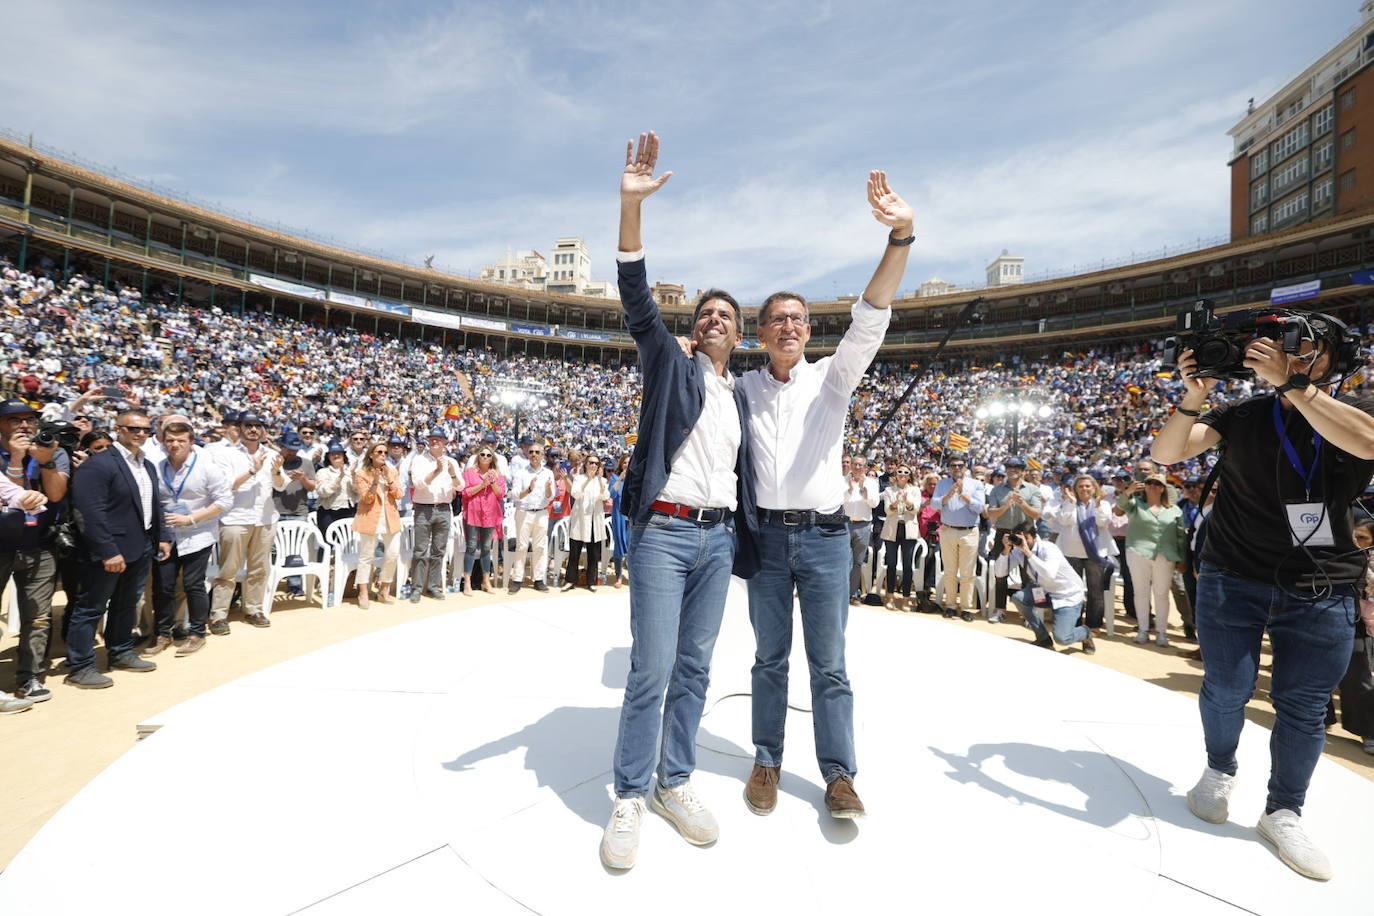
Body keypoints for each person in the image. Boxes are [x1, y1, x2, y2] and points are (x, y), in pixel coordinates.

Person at [1152, 316, 1374, 881]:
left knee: (1303, 707)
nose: (1289, 356)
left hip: (1322, 584)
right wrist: (1192, 397)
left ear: (1332, 362)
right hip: (1234, 574)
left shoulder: (1350, 409)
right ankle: (1218, 769)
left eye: (1303, 349)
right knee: (1226, 686)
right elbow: (1169, 454)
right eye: (1281, 348)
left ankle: (1284, 811)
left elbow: (1368, 443)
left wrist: (1295, 387)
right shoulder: (1247, 413)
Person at [601, 131, 759, 871]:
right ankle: (630, 793)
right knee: (652, 668)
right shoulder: (672, 362)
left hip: (718, 539)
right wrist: (631, 209)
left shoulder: (744, 396)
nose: (713, 321)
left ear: (740, 334)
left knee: (696, 670)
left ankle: (675, 781)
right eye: (705, 314)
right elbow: (637, 299)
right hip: (665, 534)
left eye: (726, 317)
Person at [741, 166, 912, 822]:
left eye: (798, 319)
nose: (789, 326)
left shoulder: (833, 381)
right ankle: (766, 759)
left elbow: (870, 319)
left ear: (809, 331)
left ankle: (839, 776)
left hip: (823, 536)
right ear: (763, 334)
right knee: (767, 659)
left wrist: (901, 235)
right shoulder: (742, 391)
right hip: (764, 539)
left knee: (830, 663)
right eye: (778, 319)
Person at [64, 409, 170, 688]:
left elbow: (153, 504)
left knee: (127, 603)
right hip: (110, 550)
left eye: (145, 430)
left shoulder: (146, 464)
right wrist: (107, 550)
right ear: (118, 429)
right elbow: (89, 511)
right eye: (134, 429)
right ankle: (81, 666)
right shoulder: (99, 464)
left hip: (141, 545)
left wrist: (162, 536)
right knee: (91, 607)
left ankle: (121, 651)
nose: (140, 434)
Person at [0, 398, 70, 704]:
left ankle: (30, 677)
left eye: (30, 420)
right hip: (1, 544)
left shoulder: (51, 451)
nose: (25, 425)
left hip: (39, 543)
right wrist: (15, 458)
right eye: (15, 420)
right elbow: (14, 497)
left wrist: (45, 460)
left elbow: (54, 494)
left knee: (38, 617)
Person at [149, 420, 232, 657]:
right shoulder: (157, 466)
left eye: (181, 441)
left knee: (193, 584)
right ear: (163, 442)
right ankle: (163, 634)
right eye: (170, 440)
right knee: (163, 586)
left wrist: (192, 518)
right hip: (167, 536)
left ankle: (197, 634)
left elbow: (225, 501)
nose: (175, 445)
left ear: (191, 443)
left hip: (198, 534)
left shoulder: (206, 467)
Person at [208, 411, 279, 632]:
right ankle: (219, 615)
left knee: (259, 569)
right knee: (228, 570)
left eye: (258, 425)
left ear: (263, 429)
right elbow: (227, 485)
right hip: (235, 519)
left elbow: (281, 485)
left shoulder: (271, 453)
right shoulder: (226, 454)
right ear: (239, 428)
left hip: (265, 518)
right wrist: (252, 470)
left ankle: (254, 609)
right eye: (248, 425)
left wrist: (276, 472)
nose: (253, 430)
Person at [992, 521, 1095, 653]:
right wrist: (1006, 550)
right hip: (1044, 592)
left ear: (1034, 537)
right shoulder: (1018, 551)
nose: (1022, 542)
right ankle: (1043, 638)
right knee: (1018, 598)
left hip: (1067, 596)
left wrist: (1028, 553)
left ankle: (1085, 632)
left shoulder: (1048, 548)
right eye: (1017, 538)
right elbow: (1000, 573)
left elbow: (1049, 575)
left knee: (1062, 638)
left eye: (1025, 539)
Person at [1116, 472, 1185, 646]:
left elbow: (1180, 537)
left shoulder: (1174, 510)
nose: (1153, 485)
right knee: (1140, 592)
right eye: (1149, 482)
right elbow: (1118, 510)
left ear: (1164, 488)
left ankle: (1161, 632)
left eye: (1158, 483)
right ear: (1144, 486)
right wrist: (1128, 492)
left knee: (1162, 594)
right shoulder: (1135, 504)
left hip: (1165, 555)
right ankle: (1143, 630)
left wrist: (1182, 559)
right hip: (1138, 552)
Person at [1054, 474, 1117, 633]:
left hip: (1095, 553)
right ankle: (1073, 623)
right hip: (1071, 552)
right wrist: (1070, 503)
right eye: (1080, 486)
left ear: (1094, 488)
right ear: (1075, 489)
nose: (1084, 489)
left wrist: (1097, 505)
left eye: (1088, 486)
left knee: (1095, 590)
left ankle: (1093, 625)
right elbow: (1063, 521)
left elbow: (1103, 522)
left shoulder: (1103, 504)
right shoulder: (1069, 503)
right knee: (1073, 590)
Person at [984, 457, 1044, 623]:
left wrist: (1022, 504)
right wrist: (1007, 505)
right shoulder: (997, 490)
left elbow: (1037, 514)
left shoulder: (1032, 489)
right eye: (1010, 466)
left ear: (1023, 470)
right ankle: (1000, 609)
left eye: (1017, 467)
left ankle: (1028, 613)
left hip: (1026, 535)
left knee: (1029, 575)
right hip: (1003, 534)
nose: (1013, 469)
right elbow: (991, 514)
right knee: (1000, 574)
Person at [406, 428, 462, 602]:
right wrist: (437, 471)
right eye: (432, 439)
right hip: (424, 508)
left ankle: (432, 586)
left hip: (444, 508)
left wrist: (451, 473)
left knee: (439, 551)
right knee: (420, 551)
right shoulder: (419, 460)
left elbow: (461, 486)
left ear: (445, 442)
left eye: (439, 439)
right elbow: (419, 484)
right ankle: (417, 587)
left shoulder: (451, 461)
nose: (435, 442)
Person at [932, 454, 986, 620]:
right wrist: (948, 495)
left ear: (966, 467)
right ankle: (950, 605)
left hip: (969, 532)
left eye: (960, 465)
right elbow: (934, 504)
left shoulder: (976, 484)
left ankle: (966, 607)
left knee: (967, 573)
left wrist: (964, 495)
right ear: (949, 468)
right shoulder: (942, 483)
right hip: (948, 530)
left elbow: (980, 508)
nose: (957, 468)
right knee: (949, 571)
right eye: (953, 465)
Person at [352, 440, 402, 607]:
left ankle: (384, 589)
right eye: (379, 452)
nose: (383, 455)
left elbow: (399, 494)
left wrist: (389, 478)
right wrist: (374, 481)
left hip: (390, 518)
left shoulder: (392, 471)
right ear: (371, 454)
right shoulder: (361, 473)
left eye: (385, 453)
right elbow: (366, 499)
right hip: (370, 517)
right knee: (366, 556)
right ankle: (363, 592)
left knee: (393, 554)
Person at [1340, 519, 1374, 754]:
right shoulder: (1342, 555)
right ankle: (1322, 719)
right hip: (1336, 618)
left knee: (1359, 678)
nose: (1356, 542)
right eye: (1354, 536)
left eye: (1363, 537)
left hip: (1361, 628)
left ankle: (1369, 731)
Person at [507, 443, 554, 594]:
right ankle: (517, 579)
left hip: (541, 512)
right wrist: (529, 490)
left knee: (540, 547)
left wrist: (547, 490)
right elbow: (514, 495)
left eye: (537, 452)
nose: (534, 454)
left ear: (542, 455)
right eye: (531, 452)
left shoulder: (548, 473)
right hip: (524, 512)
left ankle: (538, 579)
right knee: (521, 546)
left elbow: (551, 496)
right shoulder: (521, 473)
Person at [461, 445, 505, 594]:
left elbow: (500, 495)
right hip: (474, 513)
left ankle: (486, 581)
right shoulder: (469, 473)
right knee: (471, 547)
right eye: (482, 455)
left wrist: (492, 482)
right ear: (477, 457)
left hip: (490, 515)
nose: (485, 457)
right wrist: (482, 485)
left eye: (488, 455)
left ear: (492, 458)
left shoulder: (498, 475)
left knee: (487, 548)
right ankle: (467, 582)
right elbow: (465, 493)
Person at [562, 455, 610, 591]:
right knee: (574, 552)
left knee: (593, 554)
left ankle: (592, 581)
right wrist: (587, 480)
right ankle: (570, 580)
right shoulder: (579, 478)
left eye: (596, 463)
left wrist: (599, 480)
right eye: (591, 463)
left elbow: (605, 496)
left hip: (595, 520)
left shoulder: (603, 480)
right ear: (586, 464)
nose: (593, 465)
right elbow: (576, 494)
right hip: (580, 520)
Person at [879, 465, 920, 610]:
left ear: (909, 475)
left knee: (908, 565)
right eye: (900, 472)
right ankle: (889, 595)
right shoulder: (889, 490)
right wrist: (896, 502)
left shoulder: (915, 490)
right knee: (891, 563)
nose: (902, 474)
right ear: (896, 475)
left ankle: (906, 598)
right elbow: (887, 511)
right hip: (892, 528)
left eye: (905, 472)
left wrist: (906, 501)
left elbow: (915, 509)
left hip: (908, 529)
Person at [842, 454, 879, 606]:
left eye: (860, 465)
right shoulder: (843, 480)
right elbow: (838, 500)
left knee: (857, 562)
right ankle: (840, 592)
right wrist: (850, 490)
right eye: (855, 464)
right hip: (844, 524)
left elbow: (874, 503)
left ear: (865, 467)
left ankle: (851, 593)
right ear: (851, 465)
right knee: (842, 560)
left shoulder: (871, 482)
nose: (857, 467)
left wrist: (863, 490)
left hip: (863, 526)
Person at [313, 440, 356, 546]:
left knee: (348, 543)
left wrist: (354, 476)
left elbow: (357, 491)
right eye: (333, 454)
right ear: (328, 457)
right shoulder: (322, 472)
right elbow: (323, 492)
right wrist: (339, 478)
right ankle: (326, 562)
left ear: (344, 456)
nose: (336, 456)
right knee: (327, 544)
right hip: (328, 512)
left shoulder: (351, 471)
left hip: (348, 510)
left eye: (339, 453)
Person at [607, 455, 630, 588]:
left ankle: (631, 576)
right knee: (619, 545)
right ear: (621, 464)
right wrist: (620, 478)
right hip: (619, 516)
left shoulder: (635, 478)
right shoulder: (615, 478)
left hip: (631, 517)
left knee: (631, 546)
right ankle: (619, 577)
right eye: (625, 462)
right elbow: (612, 494)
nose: (627, 465)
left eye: (629, 462)